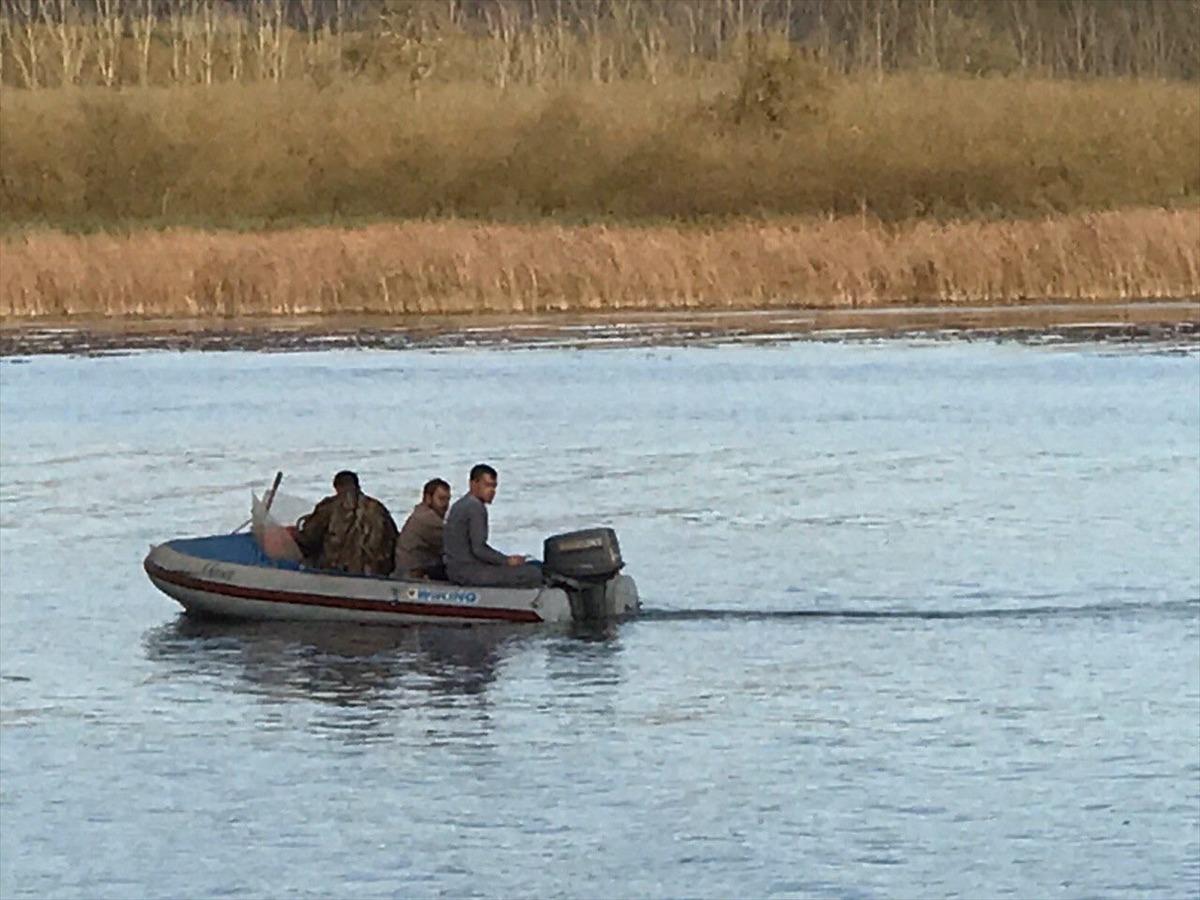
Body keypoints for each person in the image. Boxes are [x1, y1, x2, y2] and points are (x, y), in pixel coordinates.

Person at [443, 464, 542, 589]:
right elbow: (479, 549)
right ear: (473, 484)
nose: (492, 491)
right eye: (487, 485)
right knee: (533, 572)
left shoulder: (460, 504)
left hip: (456, 569)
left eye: (494, 486)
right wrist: (507, 561)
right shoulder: (475, 507)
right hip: (468, 572)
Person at [294, 470, 398, 576]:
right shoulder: (378, 508)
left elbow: (309, 538)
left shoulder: (329, 507)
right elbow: (393, 539)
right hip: (374, 572)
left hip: (335, 570)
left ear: (336, 487)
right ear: (357, 485)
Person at [394, 477, 451, 581]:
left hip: (408, 569)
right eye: (441, 499)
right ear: (428, 498)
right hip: (412, 574)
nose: (446, 505)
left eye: (448, 500)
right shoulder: (427, 519)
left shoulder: (420, 512)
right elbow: (455, 545)